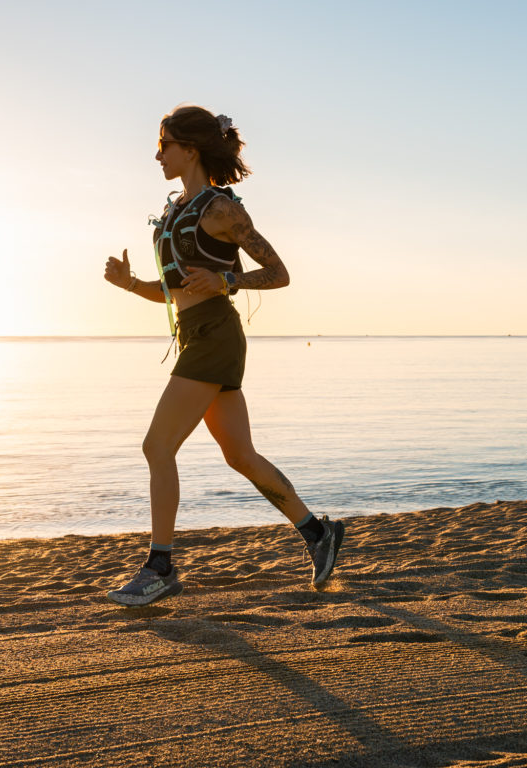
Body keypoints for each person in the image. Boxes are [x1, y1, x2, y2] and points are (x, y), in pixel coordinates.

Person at [102, 105, 343, 606]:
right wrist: (131, 286)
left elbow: (278, 272)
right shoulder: (173, 212)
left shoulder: (221, 210)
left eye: (164, 143)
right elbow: (172, 292)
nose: (156, 153)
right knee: (240, 455)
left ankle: (160, 566)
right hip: (195, 334)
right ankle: (318, 534)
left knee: (156, 446)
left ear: (189, 148)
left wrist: (227, 279)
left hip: (216, 336)